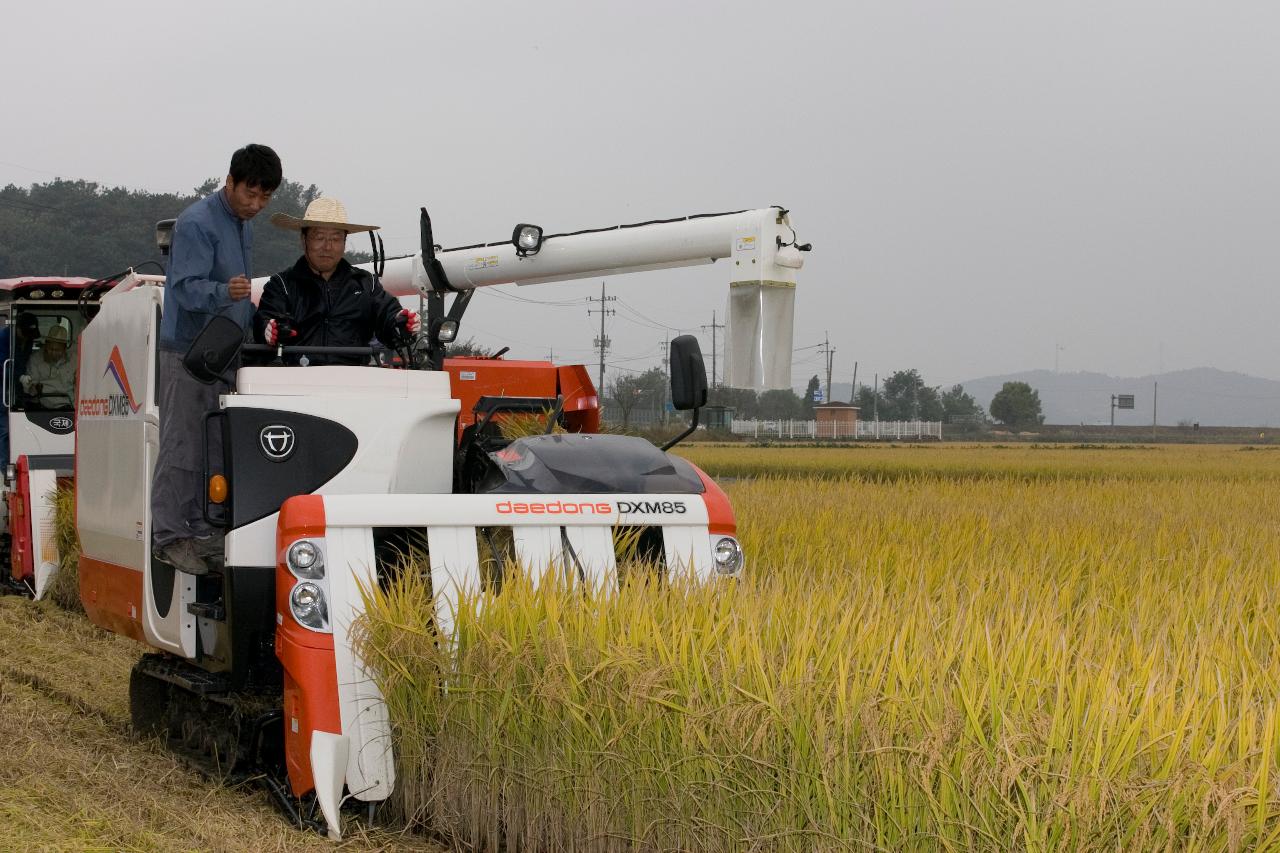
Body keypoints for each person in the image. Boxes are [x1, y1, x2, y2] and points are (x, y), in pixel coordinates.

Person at [152, 144, 282, 576]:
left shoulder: (243, 224)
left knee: (214, 446)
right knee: (182, 443)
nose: (256, 204)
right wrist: (224, 292)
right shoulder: (197, 222)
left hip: (224, 348)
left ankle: (203, 532)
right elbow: (184, 288)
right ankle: (170, 537)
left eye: (265, 198)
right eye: (250, 194)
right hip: (189, 351)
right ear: (230, 182)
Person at [252, 197, 419, 366]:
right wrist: (269, 329)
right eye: (319, 237)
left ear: (345, 243)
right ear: (303, 240)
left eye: (336, 238)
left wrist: (402, 323)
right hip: (294, 380)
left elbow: (388, 319)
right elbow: (264, 322)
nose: (328, 246)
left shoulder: (366, 284)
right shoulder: (281, 285)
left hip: (353, 383)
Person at [19, 325, 75, 409]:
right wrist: (28, 385)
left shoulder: (73, 360)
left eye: (58, 350)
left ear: (64, 348)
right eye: (51, 349)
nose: (53, 353)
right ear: (46, 345)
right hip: (43, 407)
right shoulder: (35, 359)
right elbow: (32, 390)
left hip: (69, 405)